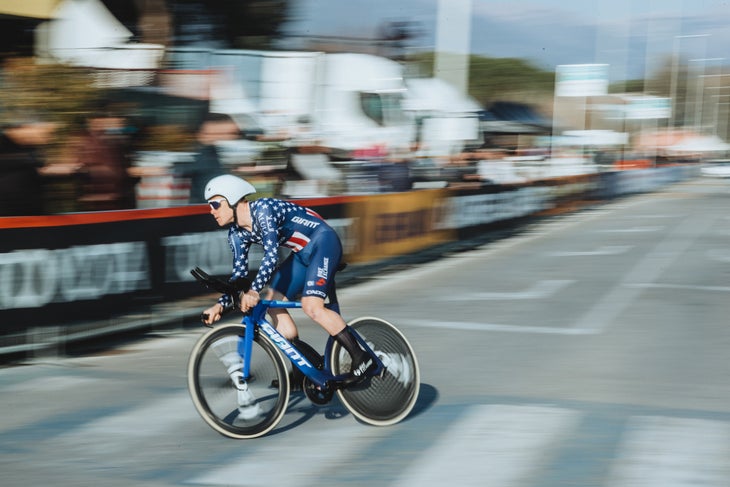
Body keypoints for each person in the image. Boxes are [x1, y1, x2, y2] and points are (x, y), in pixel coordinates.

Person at [201, 174, 376, 382]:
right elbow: (238, 275)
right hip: (302, 255)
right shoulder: (236, 234)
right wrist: (219, 306)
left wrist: (253, 291)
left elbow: (272, 255)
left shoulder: (263, 209)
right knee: (274, 305)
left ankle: (362, 358)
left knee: (312, 306)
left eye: (214, 205)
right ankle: (302, 369)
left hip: (323, 242)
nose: (211, 211)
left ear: (232, 199)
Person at [174, 113, 240, 204]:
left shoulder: (217, 156)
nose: (229, 138)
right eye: (217, 134)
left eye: (232, 134)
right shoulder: (200, 159)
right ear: (200, 135)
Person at [0, 119, 56, 216]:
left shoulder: (29, 148)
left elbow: (38, 167)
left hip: (29, 201)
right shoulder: (5, 144)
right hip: (12, 202)